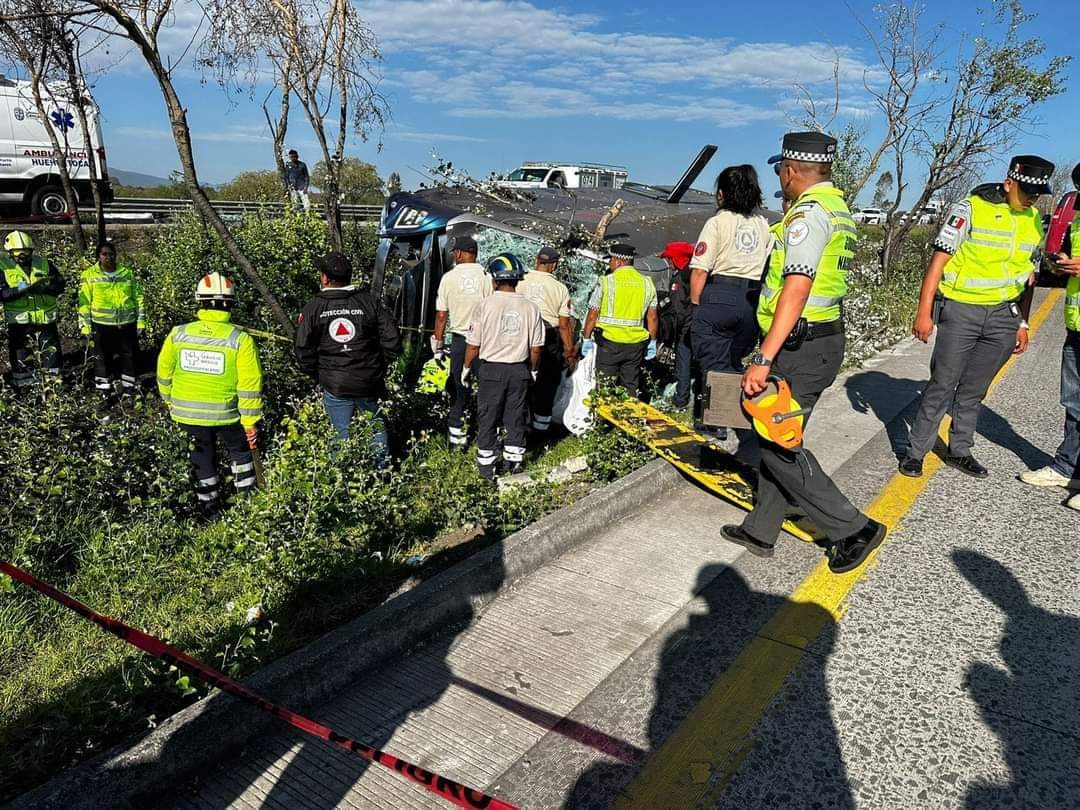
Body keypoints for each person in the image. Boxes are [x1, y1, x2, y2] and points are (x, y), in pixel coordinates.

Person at [721, 131, 886, 575]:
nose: (781, 178)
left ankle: (853, 528)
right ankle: (762, 528)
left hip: (800, 344)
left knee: (777, 442)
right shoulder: (838, 208)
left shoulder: (808, 216)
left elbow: (797, 286)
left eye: (781, 171)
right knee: (777, 434)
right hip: (818, 338)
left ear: (790, 171)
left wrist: (763, 358)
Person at [900, 155, 1052, 479]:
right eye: (1026, 192)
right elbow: (938, 262)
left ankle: (960, 449)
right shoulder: (970, 208)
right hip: (961, 311)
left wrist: (1022, 323)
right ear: (1009, 182)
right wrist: (923, 312)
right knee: (942, 384)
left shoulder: (1035, 219)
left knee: (975, 388)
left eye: (1036, 194)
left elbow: (1029, 277)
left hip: (1002, 317)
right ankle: (916, 452)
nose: (1030, 199)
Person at [157, 272, 263, 514]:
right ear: (231, 303)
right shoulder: (240, 339)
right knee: (240, 454)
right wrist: (250, 424)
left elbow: (164, 373)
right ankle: (248, 506)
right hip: (228, 416)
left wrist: (170, 402)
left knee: (201, 461)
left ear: (199, 301)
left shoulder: (178, 334)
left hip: (187, 415)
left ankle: (210, 510)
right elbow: (249, 385)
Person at [295, 252, 401, 466]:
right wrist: (378, 367)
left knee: (341, 432)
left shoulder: (313, 308)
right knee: (376, 426)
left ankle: (342, 477)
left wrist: (319, 375)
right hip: (369, 380)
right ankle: (381, 475)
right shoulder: (370, 302)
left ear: (325, 278)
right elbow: (393, 340)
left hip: (335, 383)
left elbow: (302, 349)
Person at [1019, 161, 1080, 509]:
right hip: (1076, 321)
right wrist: (1059, 264)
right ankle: (1069, 467)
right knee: (1074, 402)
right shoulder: (1076, 212)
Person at [688, 165, 772, 410]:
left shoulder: (717, 223)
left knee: (712, 363)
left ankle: (713, 420)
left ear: (722, 194)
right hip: (751, 298)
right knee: (733, 360)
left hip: (719, 294)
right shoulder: (763, 224)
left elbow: (700, 270)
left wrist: (695, 306)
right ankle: (732, 412)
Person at [462, 253, 545, 480]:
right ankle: (513, 463)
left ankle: (487, 468)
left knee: (488, 417)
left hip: (491, 371)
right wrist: (534, 370)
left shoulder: (485, 305)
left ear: (495, 279)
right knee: (516, 417)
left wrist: (467, 368)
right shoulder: (531, 307)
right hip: (519, 370)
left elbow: (473, 344)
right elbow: (536, 348)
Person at [432, 235, 492, 450]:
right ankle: (488, 436)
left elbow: (441, 315)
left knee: (460, 389)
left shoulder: (448, 278)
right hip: (485, 342)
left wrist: (438, 345)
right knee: (486, 389)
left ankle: (457, 440)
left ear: (458, 253)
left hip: (460, 342)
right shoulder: (487, 276)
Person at [581, 243, 658, 397]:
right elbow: (653, 317)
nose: (609, 263)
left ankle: (602, 420)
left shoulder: (606, 282)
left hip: (609, 343)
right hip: (635, 346)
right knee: (630, 386)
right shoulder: (647, 283)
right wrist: (653, 341)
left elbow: (592, 315)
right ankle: (627, 417)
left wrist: (586, 339)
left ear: (619, 261)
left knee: (604, 386)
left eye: (610, 260)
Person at [517, 245, 576, 438]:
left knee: (522, 380)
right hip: (548, 336)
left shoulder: (520, 280)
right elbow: (564, 324)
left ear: (536, 260)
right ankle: (541, 431)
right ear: (555, 265)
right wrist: (569, 351)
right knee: (547, 382)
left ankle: (519, 424)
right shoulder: (560, 288)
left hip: (521, 334)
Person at [78, 241, 144, 400]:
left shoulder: (127, 273)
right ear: (98, 256)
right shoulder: (89, 275)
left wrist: (141, 322)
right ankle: (104, 390)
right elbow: (84, 303)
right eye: (104, 254)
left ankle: (129, 389)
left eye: (111, 254)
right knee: (102, 358)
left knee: (128, 356)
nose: (108, 257)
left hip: (126, 324)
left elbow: (138, 298)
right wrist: (85, 327)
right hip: (101, 325)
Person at [0, 230, 64, 388]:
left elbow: (60, 284)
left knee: (52, 354)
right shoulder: (3, 267)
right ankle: (25, 388)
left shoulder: (43, 263)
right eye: (18, 254)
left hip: (45, 318)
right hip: (20, 322)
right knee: (21, 355)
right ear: (10, 252)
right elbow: (2, 293)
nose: (23, 257)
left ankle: (53, 388)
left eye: (26, 253)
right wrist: (21, 288)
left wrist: (45, 288)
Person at [658, 241, 695, 408]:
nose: (667, 262)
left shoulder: (680, 278)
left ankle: (681, 398)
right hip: (697, 325)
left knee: (683, 360)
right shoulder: (693, 273)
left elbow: (678, 309)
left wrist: (674, 332)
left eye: (669, 258)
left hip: (685, 329)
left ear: (677, 259)